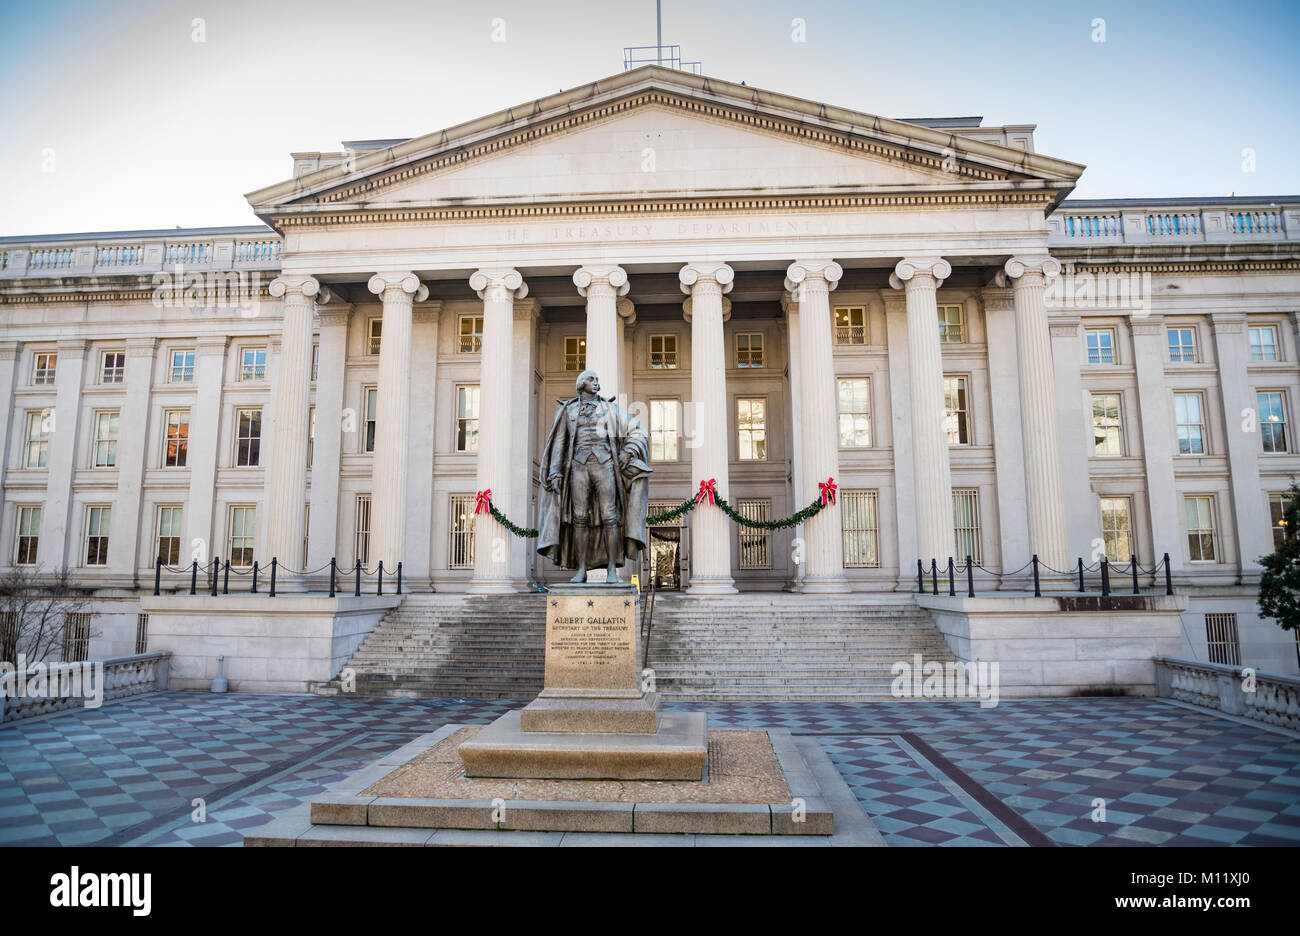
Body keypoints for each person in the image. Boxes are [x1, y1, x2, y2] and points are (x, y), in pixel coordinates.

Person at [536, 370, 651, 583]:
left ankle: (612, 571)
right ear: (581, 383)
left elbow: (638, 431)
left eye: (597, 380)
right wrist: (554, 471)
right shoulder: (567, 410)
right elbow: (560, 442)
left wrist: (628, 451)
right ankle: (581, 570)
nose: (596, 383)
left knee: (610, 517)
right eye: (591, 379)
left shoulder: (610, 408)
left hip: (605, 465)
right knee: (579, 519)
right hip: (578, 467)